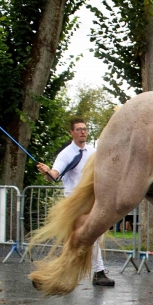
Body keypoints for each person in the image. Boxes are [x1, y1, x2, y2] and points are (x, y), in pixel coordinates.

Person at [36, 117, 115, 287]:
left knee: (87, 238)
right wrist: (47, 171)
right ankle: (98, 272)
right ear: (71, 132)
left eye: (85, 129)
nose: (83, 132)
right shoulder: (66, 154)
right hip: (75, 202)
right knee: (88, 236)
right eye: (79, 129)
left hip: (92, 200)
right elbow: (54, 176)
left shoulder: (93, 152)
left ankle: (68, 271)